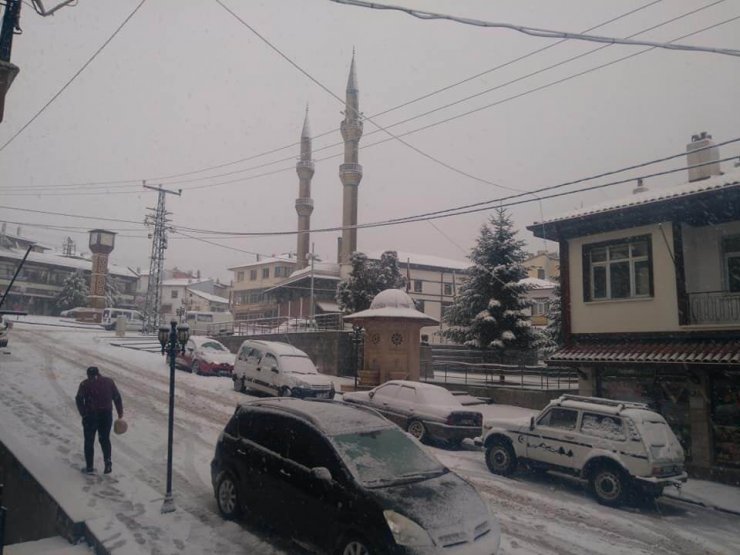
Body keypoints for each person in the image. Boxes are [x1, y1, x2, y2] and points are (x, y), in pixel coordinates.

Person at [75, 366, 124, 474]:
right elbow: (117, 397)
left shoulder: (85, 384)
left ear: (88, 375)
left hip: (91, 416)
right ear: (98, 373)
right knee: (105, 439)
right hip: (106, 415)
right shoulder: (109, 382)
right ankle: (108, 462)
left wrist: (83, 413)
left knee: (89, 441)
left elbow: (78, 399)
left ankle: (89, 467)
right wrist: (120, 413)